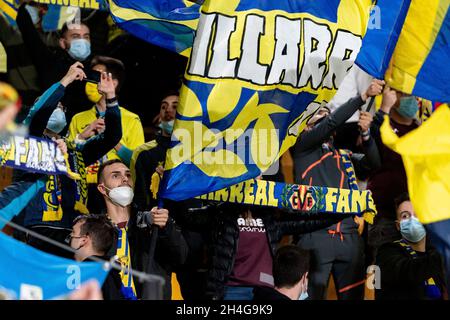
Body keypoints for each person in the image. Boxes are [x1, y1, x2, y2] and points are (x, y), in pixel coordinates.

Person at [292, 79, 383, 300]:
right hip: (315, 235)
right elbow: (332, 122)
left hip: (350, 238)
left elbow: (374, 165)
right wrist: (361, 97)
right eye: (318, 113)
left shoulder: (343, 155)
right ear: (306, 124)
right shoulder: (302, 146)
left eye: (326, 111)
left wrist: (367, 135)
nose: (324, 115)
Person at [21, 69, 122, 258]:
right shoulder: (29, 145)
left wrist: (110, 98)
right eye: (53, 106)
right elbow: (38, 116)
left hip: (77, 230)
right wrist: (65, 80)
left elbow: (112, 136)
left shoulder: (76, 152)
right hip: (42, 229)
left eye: (61, 107)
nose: (57, 110)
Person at [180, 201, 346, 300]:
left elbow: (307, 222)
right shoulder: (224, 214)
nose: (258, 176)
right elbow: (189, 217)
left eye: (260, 173)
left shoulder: (269, 216)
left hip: (265, 292)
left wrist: (345, 212)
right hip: (232, 291)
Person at [96, 159, 188, 300]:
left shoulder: (154, 220)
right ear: (102, 188)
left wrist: (166, 228)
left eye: (128, 174)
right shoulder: (93, 228)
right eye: (116, 175)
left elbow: (180, 257)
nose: (125, 178)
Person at [68, 56, 144, 213]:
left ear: (113, 83)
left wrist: (111, 138)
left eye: (97, 76)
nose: (90, 81)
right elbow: (67, 159)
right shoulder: (78, 118)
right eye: (90, 76)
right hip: (83, 188)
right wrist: (82, 136)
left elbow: (137, 161)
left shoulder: (131, 119)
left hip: (115, 190)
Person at [16, 2, 92, 124]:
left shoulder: (97, 69)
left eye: (86, 37)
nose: (82, 41)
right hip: (47, 127)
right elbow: (30, 35)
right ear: (62, 42)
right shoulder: (50, 63)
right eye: (76, 36)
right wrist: (24, 7)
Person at [367, 87, 421, 258]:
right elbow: (371, 143)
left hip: (416, 218)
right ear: (393, 96)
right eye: (405, 94)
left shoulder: (421, 130)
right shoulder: (383, 125)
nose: (411, 99)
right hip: (384, 216)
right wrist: (384, 109)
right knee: (378, 273)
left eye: (413, 94)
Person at [375, 193, 447, 300]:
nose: (412, 220)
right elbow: (408, 272)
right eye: (405, 216)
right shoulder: (387, 252)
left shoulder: (434, 251)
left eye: (417, 215)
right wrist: (444, 253)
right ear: (398, 225)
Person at [131, 90, 178, 211]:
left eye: (175, 107)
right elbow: (139, 199)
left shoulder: (199, 152)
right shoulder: (143, 153)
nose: (168, 110)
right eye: (164, 107)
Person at [68, 214, 123, 300]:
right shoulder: (109, 275)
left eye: (73, 232)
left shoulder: (86, 275)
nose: (70, 236)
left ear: (83, 240)